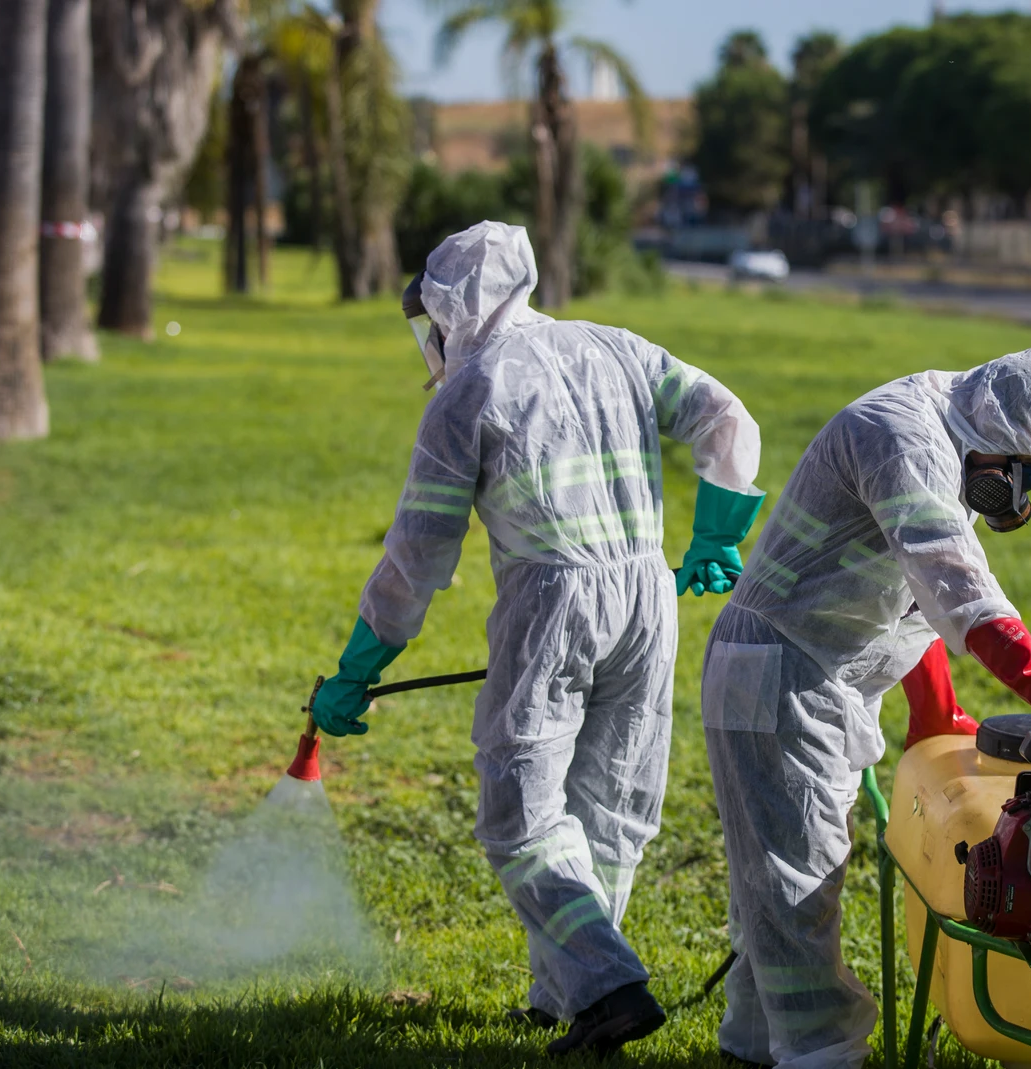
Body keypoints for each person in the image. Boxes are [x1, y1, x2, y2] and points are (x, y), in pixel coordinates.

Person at [310, 221, 765, 1055]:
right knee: (611, 809)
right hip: (645, 599)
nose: (431, 340)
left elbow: (417, 558)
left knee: (518, 811)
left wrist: (359, 663)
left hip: (550, 599)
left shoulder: (467, 393)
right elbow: (725, 417)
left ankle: (607, 986)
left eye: (431, 322)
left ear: (452, 307)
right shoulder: (614, 346)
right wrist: (716, 530)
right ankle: (565, 997)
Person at [700, 344, 1031, 1069]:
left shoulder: (953, 433)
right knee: (794, 882)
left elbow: (912, 588)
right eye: (1022, 469)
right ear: (993, 426)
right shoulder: (902, 435)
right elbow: (951, 580)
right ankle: (820, 1054)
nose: (1021, 492)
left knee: (780, 880)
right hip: (776, 672)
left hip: (815, 675)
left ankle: (753, 1045)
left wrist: (934, 707)